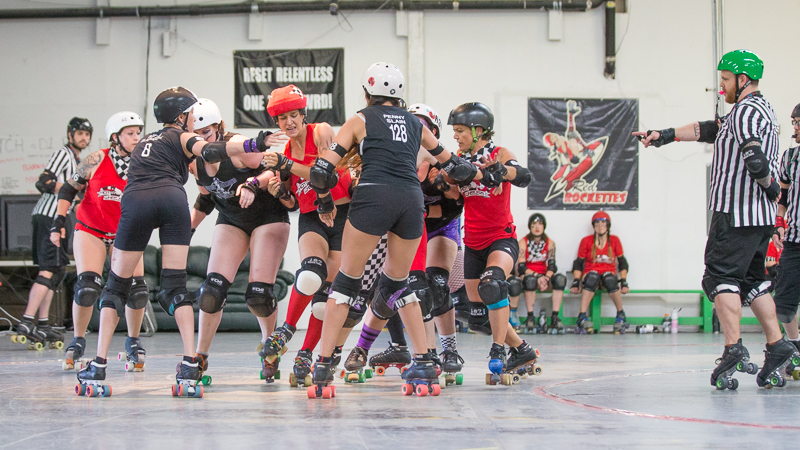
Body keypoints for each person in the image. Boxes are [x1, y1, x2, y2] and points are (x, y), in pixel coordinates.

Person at [75, 86, 274, 397]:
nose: (193, 120)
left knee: (116, 286)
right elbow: (210, 151)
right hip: (172, 201)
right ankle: (190, 362)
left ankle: (98, 364)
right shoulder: (180, 136)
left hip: (137, 201)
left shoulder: (144, 141)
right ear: (181, 116)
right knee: (175, 288)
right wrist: (255, 142)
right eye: (191, 114)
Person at [307, 62, 480, 398]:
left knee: (346, 284)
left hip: (374, 196)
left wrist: (325, 203)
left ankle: (324, 365)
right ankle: (424, 362)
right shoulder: (416, 123)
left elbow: (322, 171)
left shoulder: (360, 119)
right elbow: (457, 168)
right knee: (401, 284)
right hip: (411, 201)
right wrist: (485, 174)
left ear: (367, 94)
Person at [635, 50, 797, 389]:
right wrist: (664, 135)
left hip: (735, 213)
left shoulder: (745, 112)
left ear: (743, 80)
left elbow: (754, 157)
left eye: (725, 80)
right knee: (752, 281)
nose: (721, 87)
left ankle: (733, 348)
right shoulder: (760, 109)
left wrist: (770, 187)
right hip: (759, 218)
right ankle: (777, 344)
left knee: (719, 278)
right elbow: (710, 129)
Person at [187, 98, 290, 383]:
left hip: (268, 215)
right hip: (232, 219)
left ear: (219, 127)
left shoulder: (237, 147)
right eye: (196, 135)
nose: (202, 141)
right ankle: (200, 355)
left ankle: (269, 347)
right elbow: (206, 199)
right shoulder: (196, 160)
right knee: (211, 292)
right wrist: (187, 230)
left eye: (207, 133)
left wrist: (252, 184)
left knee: (258, 295)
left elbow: (276, 169)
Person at [258, 85, 355, 382]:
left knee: (325, 304)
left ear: (303, 114)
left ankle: (305, 354)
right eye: (282, 118)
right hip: (312, 218)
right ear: (276, 122)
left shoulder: (320, 131)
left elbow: (326, 174)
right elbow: (292, 203)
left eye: (293, 115)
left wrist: (286, 165)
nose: (289, 122)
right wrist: (279, 192)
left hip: (342, 215)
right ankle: (286, 330)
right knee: (310, 273)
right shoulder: (285, 153)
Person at [50, 112, 147, 371]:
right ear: (115, 136)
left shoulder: (143, 164)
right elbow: (68, 189)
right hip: (91, 228)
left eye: (138, 133)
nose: (136, 138)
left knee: (137, 291)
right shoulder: (96, 159)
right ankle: (78, 340)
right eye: (130, 133)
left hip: (124, 233)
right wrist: (58, 221)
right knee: (87, 288)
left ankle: (133, 341)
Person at [450, 101, 537, 383]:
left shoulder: (499, 153)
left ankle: (498, 349)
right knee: (477, 318)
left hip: (501, 238)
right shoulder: (460, 159)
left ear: (478, 130)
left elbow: (523, 176)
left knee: (493, 285)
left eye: (460, 130)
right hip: (473, 243)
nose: (455, 136)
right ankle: (522, 349)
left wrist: (501, 171)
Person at [15, 117, 92, 348]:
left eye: (87, 134)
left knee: (56, 271)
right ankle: (27, 321)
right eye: (79, 133)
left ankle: (43, 324)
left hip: (59, 218)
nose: (83, 138)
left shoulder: (77, 161)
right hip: (50, 217)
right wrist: (69, 189)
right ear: (70, 135)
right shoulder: (63, 154)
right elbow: (44, 182)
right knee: (48, 269)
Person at [771, 102, 800, 364]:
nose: (795, 127)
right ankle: (795, 347)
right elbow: (784, 195)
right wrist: (779, 223)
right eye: (794, 122)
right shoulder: (790, 157)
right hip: (794, 240)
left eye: (798, 122)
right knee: (783, 304)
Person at [570, 211, 629, 334]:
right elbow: (578, 263)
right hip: (590, 275)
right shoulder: (586, 241)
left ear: (608, 225)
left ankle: (620, 314)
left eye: (603, 222)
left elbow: (622, 263)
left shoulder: (614, 240)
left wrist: (624, 282)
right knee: (593, 277)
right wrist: (576, 282)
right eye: (597, 223)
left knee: (609, 278)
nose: (600, 225)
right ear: (593, 225)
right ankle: (582, 316)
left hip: (608, 275)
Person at [512, 213, 566, 334]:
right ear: (530, 226)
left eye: (540, 224)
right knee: (530, 280)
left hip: (544, 277)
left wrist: (546, 278)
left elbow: (552, 266)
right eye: (534, 224)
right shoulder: (523, 242)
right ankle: (530, 316)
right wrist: (538, 276)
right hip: (530, 275)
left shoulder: (550, 243)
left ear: (544, 226)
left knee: (560, 279)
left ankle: (555, 316)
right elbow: (522, 267)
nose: (537, 227)